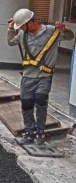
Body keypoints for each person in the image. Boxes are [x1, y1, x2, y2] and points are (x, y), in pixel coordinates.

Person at [7, 8, 74, 145]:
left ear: (30, 22)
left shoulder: (51, 31)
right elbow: (10, 42)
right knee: (26, 104)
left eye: (22, 26)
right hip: (28, 75)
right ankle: (29, 132)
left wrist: (64, 30)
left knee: (41, 100)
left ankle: (40, 131)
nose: (21, 29)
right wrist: (10, 29)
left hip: (45, 75)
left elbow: (70, 37)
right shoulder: (22, 35)